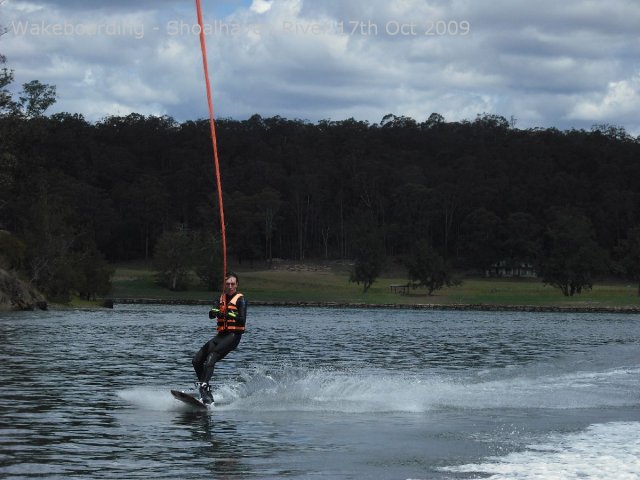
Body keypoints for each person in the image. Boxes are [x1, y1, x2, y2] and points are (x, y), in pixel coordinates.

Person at [192, 272, 247, 405]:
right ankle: (206, 392)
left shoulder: (241, 300)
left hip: (233, 336)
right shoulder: (220, 298)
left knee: (212, 356)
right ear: (224, 285)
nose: (230, 286)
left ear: (236, 285)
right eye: (227, 284)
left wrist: (229, 314)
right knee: (196, 360)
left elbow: (242, 320)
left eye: (232, 284)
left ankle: (204, 386)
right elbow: (211, 315)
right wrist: (216, 311)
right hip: (220, 336)